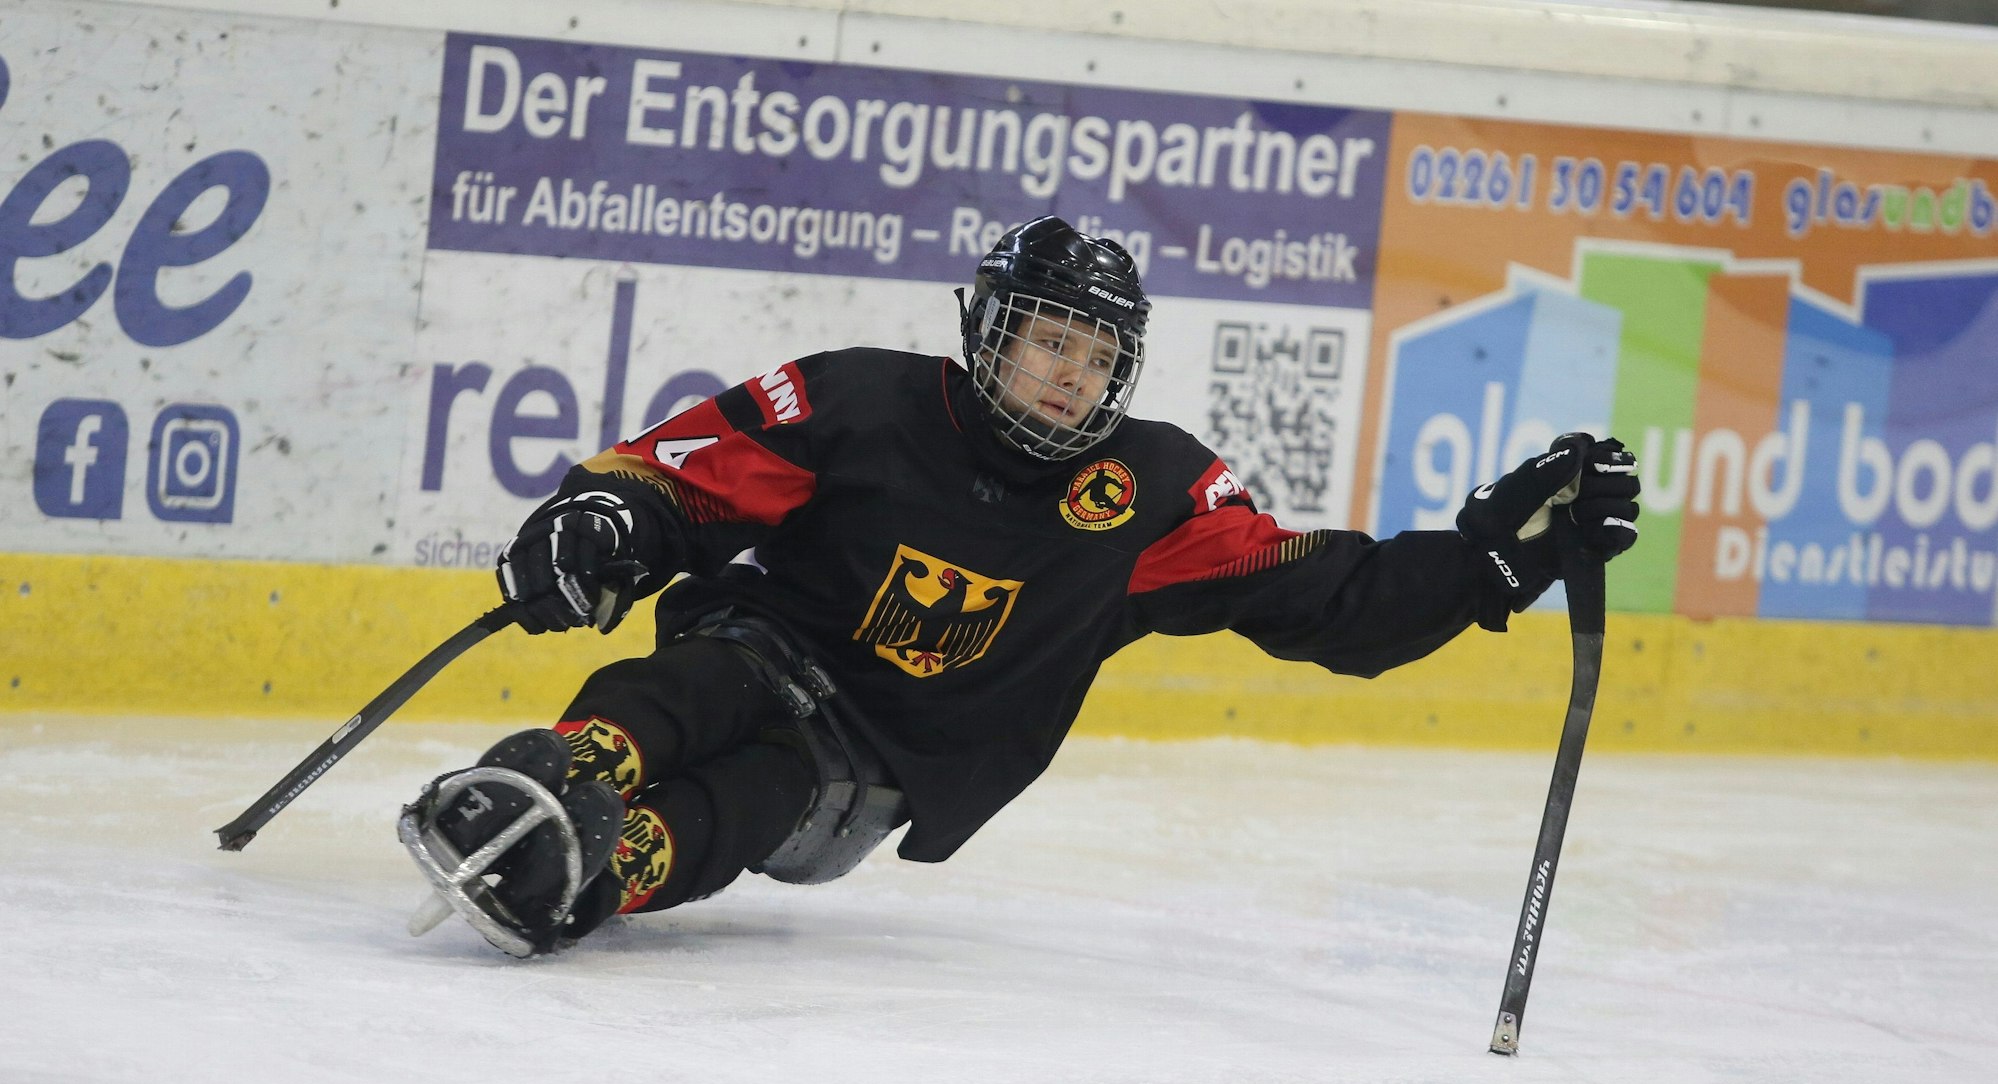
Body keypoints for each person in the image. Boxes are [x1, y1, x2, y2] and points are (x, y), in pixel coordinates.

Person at [398, 215, 1642, 957]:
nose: (1071, 375)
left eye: (1098, 355)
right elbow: (688, 473)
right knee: (694, 684)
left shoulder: (1153, 492)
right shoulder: (862, 397)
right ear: (988, 327)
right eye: (1050, 338)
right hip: (765, 643)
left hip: (877, 761)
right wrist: (604, 517)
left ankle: (603, 869)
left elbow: (1325, 596)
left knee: (758, 791)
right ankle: (552, 778)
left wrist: (1487, 561)